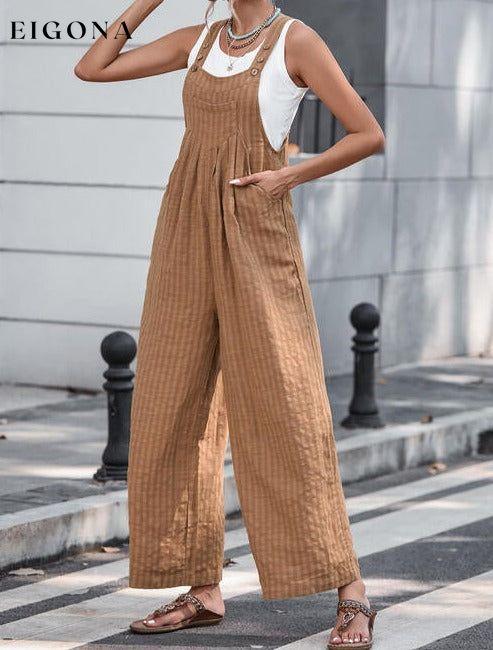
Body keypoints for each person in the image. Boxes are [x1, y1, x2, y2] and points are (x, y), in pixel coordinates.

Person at [75, 1, 384, 646]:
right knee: (172, 402)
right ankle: (202, 589)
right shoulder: (199, 39)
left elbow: (367, 134)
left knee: (286, 405)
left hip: (256, 230)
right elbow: (92, 68)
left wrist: (289, 176)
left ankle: (350, 590)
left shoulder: (296, 42)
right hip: (185, 226)